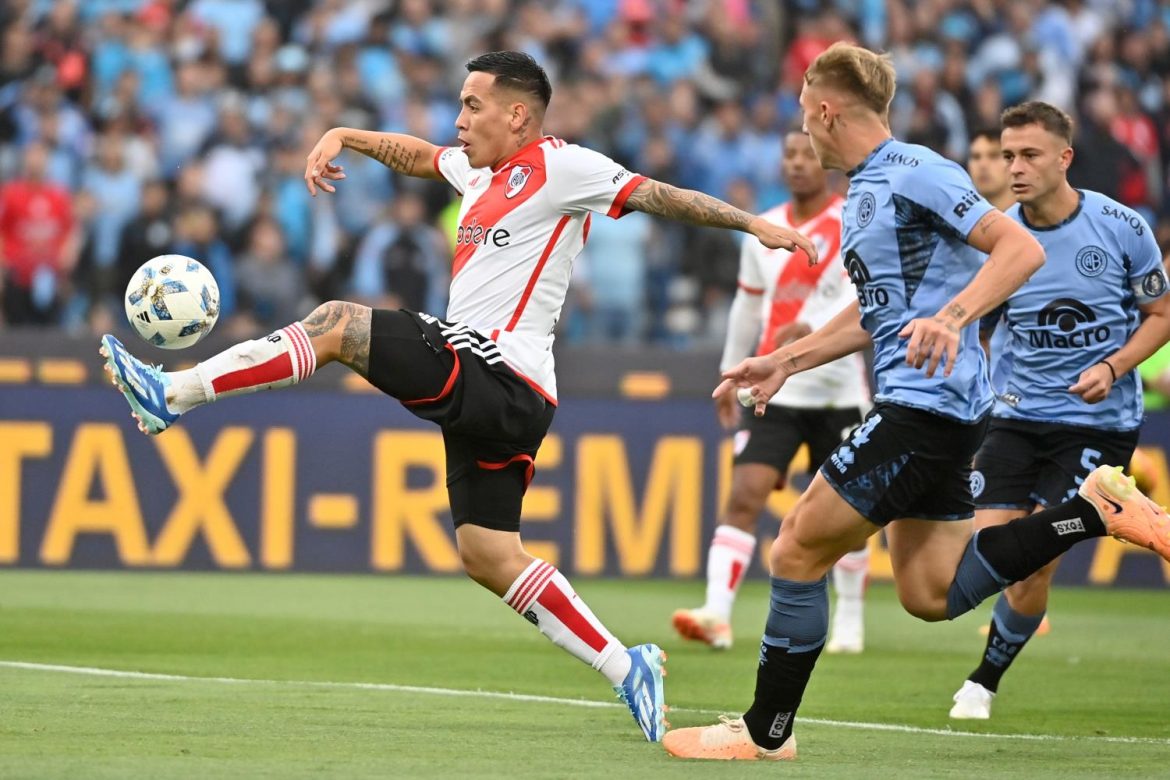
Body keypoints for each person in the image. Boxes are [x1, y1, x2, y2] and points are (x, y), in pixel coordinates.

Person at [97, 51, 817, 745]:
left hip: (502, 371)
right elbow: (417, 155)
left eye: (472, 106)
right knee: (489, 554)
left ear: (519, 114)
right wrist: (343, 134)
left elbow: (661, 195)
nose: (460, 119)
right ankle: (628, 667)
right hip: (504, 392)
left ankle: (174, 392)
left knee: (341, 323)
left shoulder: (561, 166)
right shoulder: (478, 173)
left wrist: (752, 224)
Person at [664, 42, 1170, 761]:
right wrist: (786, 358)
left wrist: (955, 317)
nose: (804, 132)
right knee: (930, 593)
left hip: (924, 404)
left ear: (825, 110)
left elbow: (1017, 252)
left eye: (806, 118)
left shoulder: (916, 171)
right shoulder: (870, 189)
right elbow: (882, 315)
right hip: (945, 409)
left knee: (798, 549)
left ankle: (764, 732)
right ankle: (1090, 512)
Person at [948, 102, 1170, 720]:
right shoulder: (997, 238)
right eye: (1007, 155)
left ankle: (984, 680)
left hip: (1097, 422)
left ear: (1064, 158)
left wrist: (1112, 368)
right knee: (993, 552)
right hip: (1016, 418)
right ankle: (1119, 508)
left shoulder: (1122, 227)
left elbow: (1162, 315)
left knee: (1034, 564)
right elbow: (979, 330)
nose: (1014, 168)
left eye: (1028, 155)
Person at [671, 128, 871, 654]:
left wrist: (811, 332)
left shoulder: (854, 220)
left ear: (826, 162)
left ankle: (850, 613)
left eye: (808, 154)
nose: (798, 163)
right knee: (744, 496)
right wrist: (727, 371)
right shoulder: (767, 228)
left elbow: (868, 300)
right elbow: (748, 306)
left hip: (837, 392)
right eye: (789, 155)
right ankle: (716, 612)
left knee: (847, 516)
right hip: (773, 394)